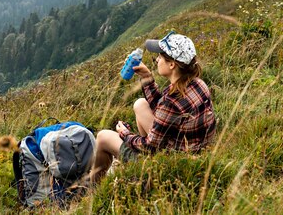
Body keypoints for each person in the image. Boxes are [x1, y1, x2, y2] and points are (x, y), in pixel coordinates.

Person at [90, 31, 216, 183]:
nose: (157, 59)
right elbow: (162, 111)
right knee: (140, 104)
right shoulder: (197, 84)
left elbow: (149, 145)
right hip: (192, 153)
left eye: (160, 56)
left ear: (171, 64)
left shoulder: (172, 101)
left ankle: (93, 189)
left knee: (103, 137)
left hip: (169, 166)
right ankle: (127, 164)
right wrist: (147, 77)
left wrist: (125, 134)